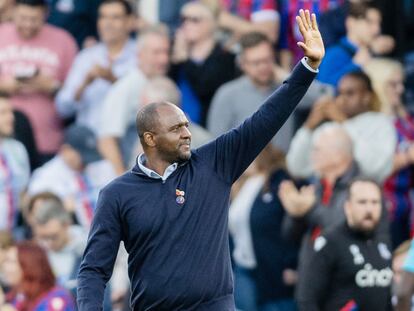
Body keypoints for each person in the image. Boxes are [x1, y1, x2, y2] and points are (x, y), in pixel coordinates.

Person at [77, 9, 324, 310]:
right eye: (176, 128)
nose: (187, 134)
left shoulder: (214, 163)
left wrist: (307, 67)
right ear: (150, 139)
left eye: (186, 126)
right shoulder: (117, 193)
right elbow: (93, 269)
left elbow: (266, 119)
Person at [298, 177, 393, 310]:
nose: (369, 209)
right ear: (348, 206)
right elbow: (306, 298)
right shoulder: (329, 242)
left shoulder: (384, 242)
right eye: (362, 202)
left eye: (375, 202)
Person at [0, 0, 78, 162]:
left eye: (34, 19)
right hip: (5, 140)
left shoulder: (64, 40)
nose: (28, 24)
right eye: (22, 18)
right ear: (13, 12)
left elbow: (77, 95)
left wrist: (52, 86)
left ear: (45, 14)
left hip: (48, 140)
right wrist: (5, 86)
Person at [287, 70, 396, 182]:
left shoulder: (381, 123)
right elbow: (296, 168)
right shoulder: (330, 127)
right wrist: (308, 127)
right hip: (327, 195)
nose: (342, 99)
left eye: (350, 93)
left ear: (366, 97)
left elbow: (374, 167)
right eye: (339, 93)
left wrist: (343, 122)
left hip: (365, 194)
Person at [229, 144, 298, 311]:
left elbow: (293, 223)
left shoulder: (280, 181)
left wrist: (292, 262)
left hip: (273, 268)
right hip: (243, 267)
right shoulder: (240, 186)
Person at [97, 24, 170, 175]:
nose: (164, 59)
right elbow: (107, 140)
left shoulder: (163, 83)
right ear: (140, 55)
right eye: (156, 53)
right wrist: (123, 181)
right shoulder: (127, 87)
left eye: (166, 52)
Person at [56, 0, 136, 134]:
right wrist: (84, 83)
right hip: (87, 141)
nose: (108, 24)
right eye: (103, 17)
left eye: (115, 17)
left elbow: (146, 108)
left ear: (130, 21)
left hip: (127, 139)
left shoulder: (141, 55)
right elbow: (62, 108)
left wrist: (114, 80)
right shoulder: (86, 57)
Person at [207, 32, 293, 152]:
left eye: (267, 60)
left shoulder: (286, 88)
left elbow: (323, 95)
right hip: (243, 169)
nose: (263, 67)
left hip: (283, 167)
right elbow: (215, 145)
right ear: (242, 64)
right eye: (256, 63)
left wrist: (288, 78)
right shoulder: (227, 94)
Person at [365, 58, 414, 248]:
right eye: (392, 84)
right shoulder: (370, 123)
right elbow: (368, 168)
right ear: (378, 85)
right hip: (382, 209)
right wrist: (406, 157)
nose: (400, 89)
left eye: (401, 83)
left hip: (406, 208)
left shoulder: (404, 120)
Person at [27, 125, 115, 230]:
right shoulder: (45, 177)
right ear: (66, 150)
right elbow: (35, 217)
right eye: (83, 156)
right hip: (73, 234)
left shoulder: (102, 165)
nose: (86, 162)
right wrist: (62, 209)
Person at [170, 1, 237, 125]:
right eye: (183, 19)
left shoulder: (225, 57)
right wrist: (176, 59)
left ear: (212, 23)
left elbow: (205, 89)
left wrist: (185, 60)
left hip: (208, 127)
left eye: (195, 20)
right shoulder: (177, 51)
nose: (186, 24)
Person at [317, 1, 383, 87]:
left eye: (379, 23)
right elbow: (323, 89)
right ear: (351, 22)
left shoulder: (373, 52)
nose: (377, 29)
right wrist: (354, 65)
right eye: (369, 22)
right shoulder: (334, 53)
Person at [1, 241, 76, 311]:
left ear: (29, 265)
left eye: (11, 261)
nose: (4, 266)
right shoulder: (15, 296)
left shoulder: (57, 298)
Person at [0, 96, 30, 232]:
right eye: (3, 113)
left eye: (11, 112)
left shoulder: (17, 148)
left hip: (15, 231)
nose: (11, 117)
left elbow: (23, 192)